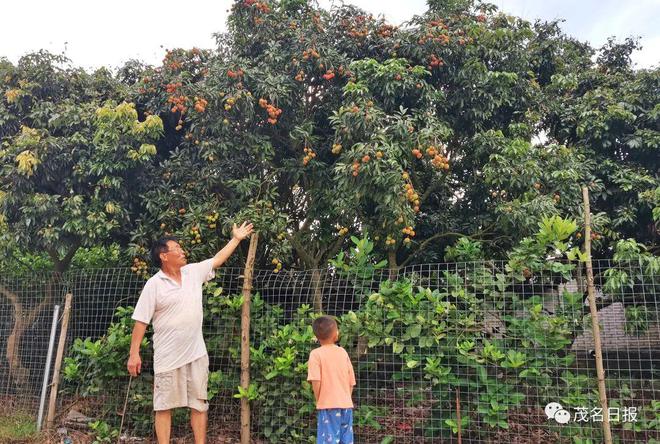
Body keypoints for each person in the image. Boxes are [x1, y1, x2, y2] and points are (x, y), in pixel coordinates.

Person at [127, 221, 253, 444]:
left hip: (196, 353)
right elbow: (140, 321)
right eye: (176, 248)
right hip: (167, 358)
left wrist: (236, 238)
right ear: (164, 256)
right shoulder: (154, 284)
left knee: (199, 404)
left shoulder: (193, 272)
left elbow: (217, 259)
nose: (182, 251)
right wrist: (134, 354)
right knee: (164, 406)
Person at [307, 315, 356, 444]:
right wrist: (346, 398)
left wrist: (319, 400)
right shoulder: (343, 352)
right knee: (346, 440)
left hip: (328, 406)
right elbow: (351, 381)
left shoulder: (316, 354)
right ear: (336, 334)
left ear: (316, 336)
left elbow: (316, 380)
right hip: (346, 406)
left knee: (329, 440)